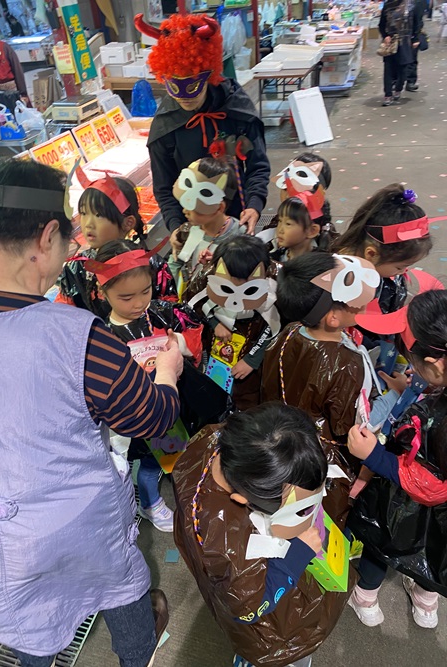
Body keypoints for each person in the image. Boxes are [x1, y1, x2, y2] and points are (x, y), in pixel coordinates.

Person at [0, 158, 183, 667]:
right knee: (120, 591)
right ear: (46, 237)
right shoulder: (78, 338)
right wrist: (167, 370)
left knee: (30, 632)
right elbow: (151, 418)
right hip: (80, 528)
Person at [173, 402, 356, 667]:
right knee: (275, 639)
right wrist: (296, 557)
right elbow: (249, 608)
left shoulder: (229, 442)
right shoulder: (223, 544)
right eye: (297, 511)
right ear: (242, 499)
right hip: (265, 611)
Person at [84, 239, 203, 531]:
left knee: (169, 454)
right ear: (102, 291)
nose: (139, 303)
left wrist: (179, 344)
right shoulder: (101, 337)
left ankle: (173, 490)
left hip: (172, 401)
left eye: (146, 291)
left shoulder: (162, 314)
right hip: (136, 413)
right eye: (126, 297)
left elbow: (195, 338)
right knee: (145, 463)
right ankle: (149, 503)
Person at [347, 289, 447, 629]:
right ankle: (426, 598)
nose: (412, 370)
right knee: (434, 549)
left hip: (416, 494)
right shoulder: (435, 386)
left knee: (385, 533)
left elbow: (432, 486)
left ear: (435, 362)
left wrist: (374, 456)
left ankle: (366, 595)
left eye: (415, 363)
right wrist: (418, 386)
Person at [134, 11, 270, 238]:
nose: (185, 97)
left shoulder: (236, 108)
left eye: (193, 86)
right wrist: (177, 227)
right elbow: (164, 186)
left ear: (208, 74)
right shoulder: (166, 124)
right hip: (191, 222)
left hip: (237, 216)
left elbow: (258, 165)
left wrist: (254, 205)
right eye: (175, 86)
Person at [262, 253, 406, 452]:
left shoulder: (291, 330)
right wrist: (396, 394)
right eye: (359, 301)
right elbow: (360, 428)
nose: (366, 304)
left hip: (287, 434)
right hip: (323, 452)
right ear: (333, 318)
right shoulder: (347, 365)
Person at [57, 169, 177, 316]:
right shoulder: (76, 268)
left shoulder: (151, 264)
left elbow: (170, 310)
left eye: (99, 215)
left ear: (128, 223)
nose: (88, 224)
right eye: (83, 213)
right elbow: (64, 312)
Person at [189, 235, 281, 410]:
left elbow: (274, 327)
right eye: (228, 288)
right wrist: (215, 323)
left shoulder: (272, 289)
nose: (236, 298)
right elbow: (196, 306)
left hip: (250, 359)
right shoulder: (211, 279)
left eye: (247, 289)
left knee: (246, 396)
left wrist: (252, 360)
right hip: (216, 354)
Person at [333, 184, 433, 315]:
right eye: (400, 267)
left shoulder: (383, 271)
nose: (404, 271)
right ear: (371, 254)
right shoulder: (342, 281)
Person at [168, 157, 244, 290]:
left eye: (193, 206)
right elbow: (176, 262)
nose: (185, 211)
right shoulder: (188, 230)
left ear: (218, 207)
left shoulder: (240, 236)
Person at [378, 0, 422, 105]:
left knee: (403, 69)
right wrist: (385, 36)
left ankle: (398, 88)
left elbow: (417, 23)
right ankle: (388, 94)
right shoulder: (388, 5)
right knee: (388, 68)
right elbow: (381, 24)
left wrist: (416, 39)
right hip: (391, 43)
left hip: (405, 42)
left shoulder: (412, 5)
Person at [270, 195, 337, 264]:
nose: (280, 230)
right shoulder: (273, 256)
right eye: (280, 221)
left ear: (312, 231)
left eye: (288, 224)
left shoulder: (318, 266)